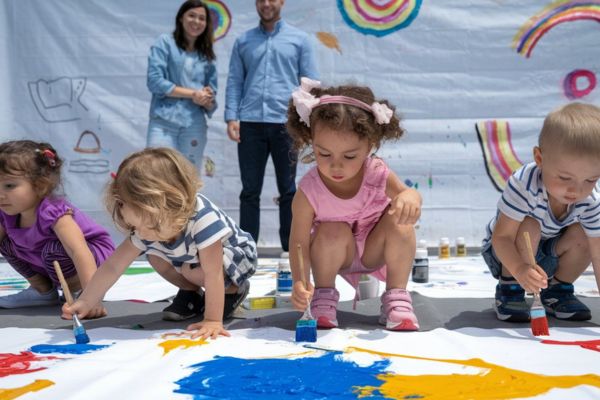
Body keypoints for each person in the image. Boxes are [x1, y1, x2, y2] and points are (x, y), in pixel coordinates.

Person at [62, 148, 257, 339]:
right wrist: (87, 300)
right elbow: (113, 266)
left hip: (234, 258)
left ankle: (233, 291)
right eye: (134, 226)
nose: (141, 234)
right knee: (154, 255)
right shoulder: (145, 228)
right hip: (193, 260)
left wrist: (213, 320)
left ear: (170, 205)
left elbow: (213, 273)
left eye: (149, 226)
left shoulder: (203, 220)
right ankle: (192, 294)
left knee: (192, 270)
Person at [286, 78, 422, 331]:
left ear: (370, 146)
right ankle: (323, 297)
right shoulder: (309, 190)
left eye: (349, 156)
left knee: (400, 222)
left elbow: (408, 194)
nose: (335, 165)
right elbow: (299, 242)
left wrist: (409, 198)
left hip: (375, 251)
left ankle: (396, 297)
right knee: (332, 229)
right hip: (336, 255)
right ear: (311, 142)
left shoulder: (377, 173)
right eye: (323, 154)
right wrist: (299, 281)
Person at [482, 102, 600, 323]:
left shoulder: (591, 198)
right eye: (565, 178)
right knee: (530, 225)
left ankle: (558, 291)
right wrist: (519, 269)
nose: (576, 190)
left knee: (588, 234)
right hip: (506, 254)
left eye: (591, 179)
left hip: (549, 256)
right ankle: (510, 290)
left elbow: (597, 251)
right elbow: (502, 237)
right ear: (540, 159)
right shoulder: (524, 184)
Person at [224, 0, 318, 253]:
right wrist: (231, 116)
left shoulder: (299, 40)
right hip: (250, 123)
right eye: (261, 0)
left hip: (285, 125)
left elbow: (309, 84)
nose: (266, 4)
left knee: (288, 189)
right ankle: (247, 249)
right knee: (249, 190)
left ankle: (291, 249)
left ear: (281, 2)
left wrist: (307, 121)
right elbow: (235, 80)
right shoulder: (243, 41)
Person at [0, 140, 115, 317]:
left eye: (9, 186)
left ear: (40, 185)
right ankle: (42, 291)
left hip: (92, 256)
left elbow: (79, 251)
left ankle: (77, 291)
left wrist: (92, 299)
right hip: (49, 259)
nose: (1, 194)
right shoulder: (7, 210)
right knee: (6, 243)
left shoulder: (54, 211)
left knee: (54, 250)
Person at [146, 0, 217, 174]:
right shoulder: (164, 43)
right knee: (156, 174)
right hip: (164, 121)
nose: (196, 21)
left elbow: (212, 100)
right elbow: (154, 81)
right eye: (191, 15)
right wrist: (193, 93)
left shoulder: (207, 54)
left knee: (189, 177)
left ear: (206, 24)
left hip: (194, 124)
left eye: (202, 18)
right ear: (181, 18)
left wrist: (206, 99)